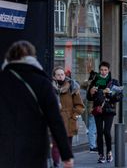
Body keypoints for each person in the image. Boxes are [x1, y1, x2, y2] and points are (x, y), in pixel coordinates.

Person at [0, 40, 74, 168]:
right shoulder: (42, 82)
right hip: (33, 148)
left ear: (9, 57)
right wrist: (66, 155)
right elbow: (55, 120)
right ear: (33, 57)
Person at [87, 61, 122, 164]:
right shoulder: (94, 81)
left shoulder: (113, 82)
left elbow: (119, 97)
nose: (103, 72)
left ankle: (109, 152)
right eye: (101, 70)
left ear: (108, 70)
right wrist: (91, 92)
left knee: (106, 132)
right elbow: (89, 98)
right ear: (99, 70)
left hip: (109, 109)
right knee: (99, 132)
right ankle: (101, 154)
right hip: (98, 109)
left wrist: (110, 93)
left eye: (105, 70)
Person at [52, 66, 85, 168]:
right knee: (55, 144)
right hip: (55, 120)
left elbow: (80, 106)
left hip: (69, 120)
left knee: (67, 146)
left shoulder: (72, 87)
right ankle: (56, 164)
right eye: (58, 75)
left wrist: (74, 117)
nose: (61, 77)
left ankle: (68, 165)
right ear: (54, 76)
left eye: (62, 74)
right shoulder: (50, 88)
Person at [82, 70, 99, 152]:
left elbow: (82, 85)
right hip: (93, 109)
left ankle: (93, 145)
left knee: (92, 127)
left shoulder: (88, 84)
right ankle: (92, 146)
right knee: (92, 128)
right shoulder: (93, 85)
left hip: (90, 109)